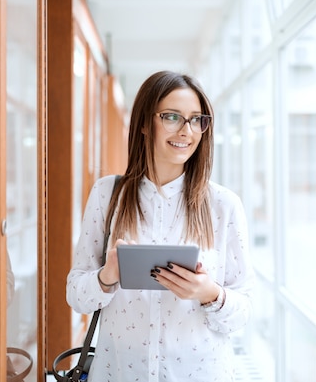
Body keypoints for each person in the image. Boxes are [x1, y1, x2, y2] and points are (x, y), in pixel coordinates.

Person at [67, 70, 255, 382]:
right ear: (143, 123)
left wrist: (209, 293)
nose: (187, 130)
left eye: (197, 119)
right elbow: (76, 295)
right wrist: (107, 276)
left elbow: (244, 312)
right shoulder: (107, 195)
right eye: (172, 117)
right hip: (119, 373)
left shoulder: (223, 205)